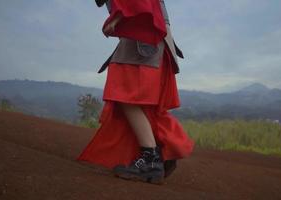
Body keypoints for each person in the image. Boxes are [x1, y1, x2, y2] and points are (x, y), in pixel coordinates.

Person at [76, 0, 195, 184]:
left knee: (123, 92)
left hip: (144, 36)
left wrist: (119, 15)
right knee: (137, 101)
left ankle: (151, 158)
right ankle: (164, 150)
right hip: (148, 36)